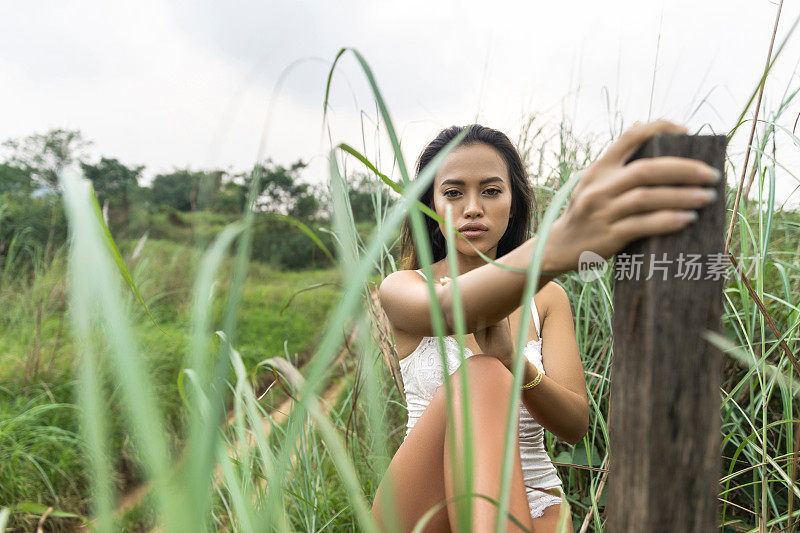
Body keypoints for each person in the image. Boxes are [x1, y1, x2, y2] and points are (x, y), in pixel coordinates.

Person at [371, 120, 721, 533]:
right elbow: (453, 309)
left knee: (493, 368)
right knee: (480, 374)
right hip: (422, 500)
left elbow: (574, 426)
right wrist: (560, 243)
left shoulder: (547, 299)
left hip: (533, 494)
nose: (472, 208)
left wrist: (513, 362)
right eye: (452, 193)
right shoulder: (403, 288)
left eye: (490, 191)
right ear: (430, 205)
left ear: (514, 203)